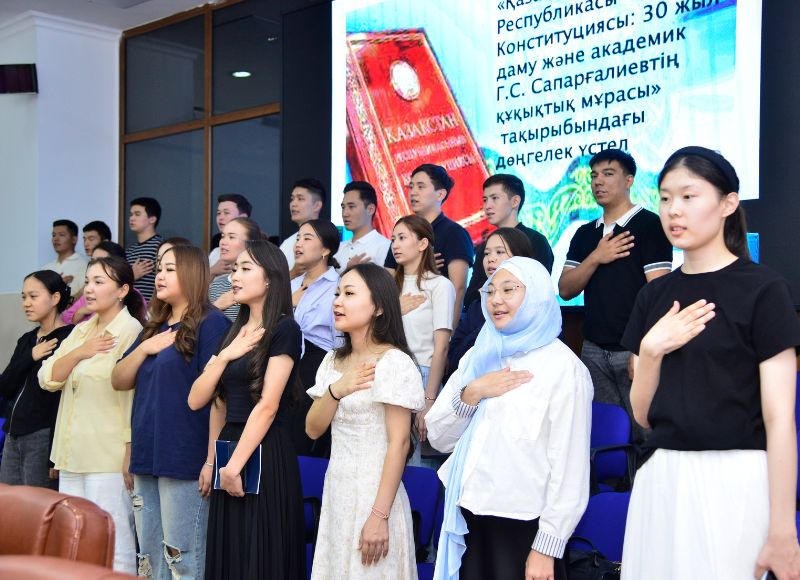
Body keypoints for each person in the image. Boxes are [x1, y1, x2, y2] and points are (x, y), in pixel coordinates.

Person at [619, 147, 800, 579]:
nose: (673, 210)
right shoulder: (653, 295)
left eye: (688, 196)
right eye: (665, 198)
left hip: (735, 482)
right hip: (662, 479)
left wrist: (782, 528)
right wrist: (651, 350)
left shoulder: (764, 290)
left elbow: (780, 420)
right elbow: (642, 415)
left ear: (728, 203)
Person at [427, 257, 592, 580]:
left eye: (509, 290)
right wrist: (472, 393)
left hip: (524, 528)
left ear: (537, 296)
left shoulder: (564, 369)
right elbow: (438, 437)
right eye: (490, 292)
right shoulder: (478, 356)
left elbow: (570, 470)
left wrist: (546, 547)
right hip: (468, 517)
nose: (496, 300)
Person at [188, 240, 305, 580]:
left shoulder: (284, 329)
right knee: (232, 554)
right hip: (230, 447)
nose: (234, 276)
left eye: (245, 268)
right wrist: (213, 461)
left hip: (264, 449)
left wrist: (233, 466)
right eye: (234, 269)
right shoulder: (233, 332)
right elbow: (202, 400)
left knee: (260, 554)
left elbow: (267, 406)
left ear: (270, 278)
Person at [112, 245, 230, 579]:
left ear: (191, 274)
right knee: (149, 559)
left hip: (185, 457)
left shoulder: (212, 324)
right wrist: (145, 348)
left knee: (182, 559)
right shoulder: (155, 326)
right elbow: (119, 379)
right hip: (147, 453)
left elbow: (219, 398)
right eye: (159, 269)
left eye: (169, 269)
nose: (159, 276)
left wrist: (212, 460)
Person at [306, 263, 424, 579]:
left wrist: (379, 515)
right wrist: (336, 390)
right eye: (337, 294)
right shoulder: (332, 360)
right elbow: (313, 429)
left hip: (376, 496)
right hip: (337, 492)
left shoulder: (394, 362)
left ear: (379, 307)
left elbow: (399, 443)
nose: (337, 302)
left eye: (349, 294)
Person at [39, 256, 147, 574]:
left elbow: (131, 398)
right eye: (88, 281)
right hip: (71, 454)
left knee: (115, 542)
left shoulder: (130, 330)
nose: (89, 288)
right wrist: (80, 352)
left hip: (107, 457)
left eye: (99, 282)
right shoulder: (82, 331)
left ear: (122, 290)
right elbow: (47, 378)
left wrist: (129, 451)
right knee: (74, 541)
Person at [558, 149, 672, 444]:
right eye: (594, 175)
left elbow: (659, 293)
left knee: (646, 436)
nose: (598, 181)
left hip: (633, 349)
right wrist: (596, 257)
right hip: (593, 349)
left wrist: (642, 348)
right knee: (608, 441)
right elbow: (566, 289)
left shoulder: (650, 225)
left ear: (629, 180)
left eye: (608, 174)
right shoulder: (585, 234)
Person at [0, 271, 73, 489]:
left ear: (55, 298)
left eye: (33, 296)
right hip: (13, 434)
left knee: (37, 502)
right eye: (24, 297)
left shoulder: (69, 337)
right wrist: (31, 356)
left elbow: (61, 398)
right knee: (9, 503)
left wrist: (55, 451)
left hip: (42, 434)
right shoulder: (27, 340)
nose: (26, 303)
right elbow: (5, 386)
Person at [391, 215, 455, 463]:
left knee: (415, 463)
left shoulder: (439, 285)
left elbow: (441, 348)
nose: (395, 245)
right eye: (393, 239)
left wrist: (430, 400)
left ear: (422, 243)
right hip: (388, 374)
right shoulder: (389, 287)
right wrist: (395, 309)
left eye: (402, 238)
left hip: (422, 375)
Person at [383, 164, 474, 328]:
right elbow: (387, 282)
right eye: (411, 187)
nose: (413, 192)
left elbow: (458, 288)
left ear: (440, 194)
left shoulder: (454, 233)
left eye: (420, 186)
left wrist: (449, 333)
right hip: (401, 323)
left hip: (436, 325)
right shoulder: (402, 233)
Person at [449, 228, 535, 371]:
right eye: (487, 253)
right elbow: (454, 358)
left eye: (499, 252)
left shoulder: (536, 305)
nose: (490, 259)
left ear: (520, 257)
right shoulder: (477, 306)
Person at [463, 174, 554, 307]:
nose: (487, 206)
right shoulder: (485, 246)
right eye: (485, 200)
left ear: (515, 201)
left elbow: (539, 291)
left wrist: (489, 291)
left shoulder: (535, 241)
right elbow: (470, 298)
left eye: (495, 198)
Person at [290, 219, 341, 456]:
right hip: (284, 365)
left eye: (307, 238)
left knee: (304, 442)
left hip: (317, 368)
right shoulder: (290, 285)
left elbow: (340, 341)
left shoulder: (337, 287)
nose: (298, 244)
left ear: (325, 250)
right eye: (298, 238)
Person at [208, 218, 263, 321]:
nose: (223, 242)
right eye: (222, 236)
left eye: (231, 237)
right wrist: (217, 306)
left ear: (251, 243)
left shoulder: (260, 284)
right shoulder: (216, 285)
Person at [62, 241, 128, 325]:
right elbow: (65, 319)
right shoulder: (88, 293)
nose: (94, 266)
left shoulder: (133, 297)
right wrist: (82, 311)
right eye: (92, 261)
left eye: (101, 261)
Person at [334, 181, 391, 273]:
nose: (345, 214)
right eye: (343, 207)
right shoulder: (338, 248)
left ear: (370, 209)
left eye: (351, 207)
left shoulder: (385, 247)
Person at [279, 178, 326, 276]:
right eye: (292, 199)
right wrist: (293, 273)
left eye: (300, 199)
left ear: (317, 205)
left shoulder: (327, 239)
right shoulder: (287, 244)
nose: (293, 204)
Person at [126, 196, 164, 301]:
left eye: (137, 214)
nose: (132, 218)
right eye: (131, 214)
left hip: (152, 308)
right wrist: (132, 275)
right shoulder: (129, 251)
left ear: (152, 219)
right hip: (130, 307)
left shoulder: (161, 247)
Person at [209, 193, 252, 278]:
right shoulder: (215, 253)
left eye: (226, 213)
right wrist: (212, 271)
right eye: (218, 213)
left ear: (243, 217)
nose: (220, 217)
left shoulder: (257, 255)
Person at [42, 219, 88, 297]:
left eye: (61, 235)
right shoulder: (46, 268)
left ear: (74, 239)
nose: (56, 239)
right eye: (54, 235)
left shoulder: (85, 264)